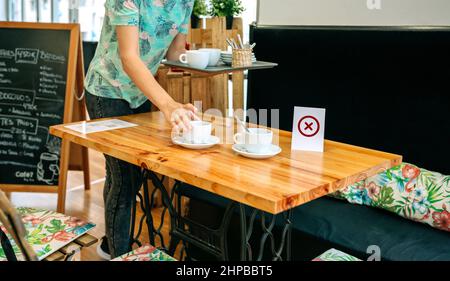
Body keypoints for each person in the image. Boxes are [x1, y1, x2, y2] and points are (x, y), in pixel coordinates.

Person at [84, 0, 196, 259]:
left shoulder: (185, 2)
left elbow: (174, 53)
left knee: (123, 176)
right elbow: (129, 57)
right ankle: (117, 253)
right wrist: (168, 105)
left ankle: (108, 243)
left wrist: (210, 59)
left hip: (140, 93)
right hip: (106, 92)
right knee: (124, 177)